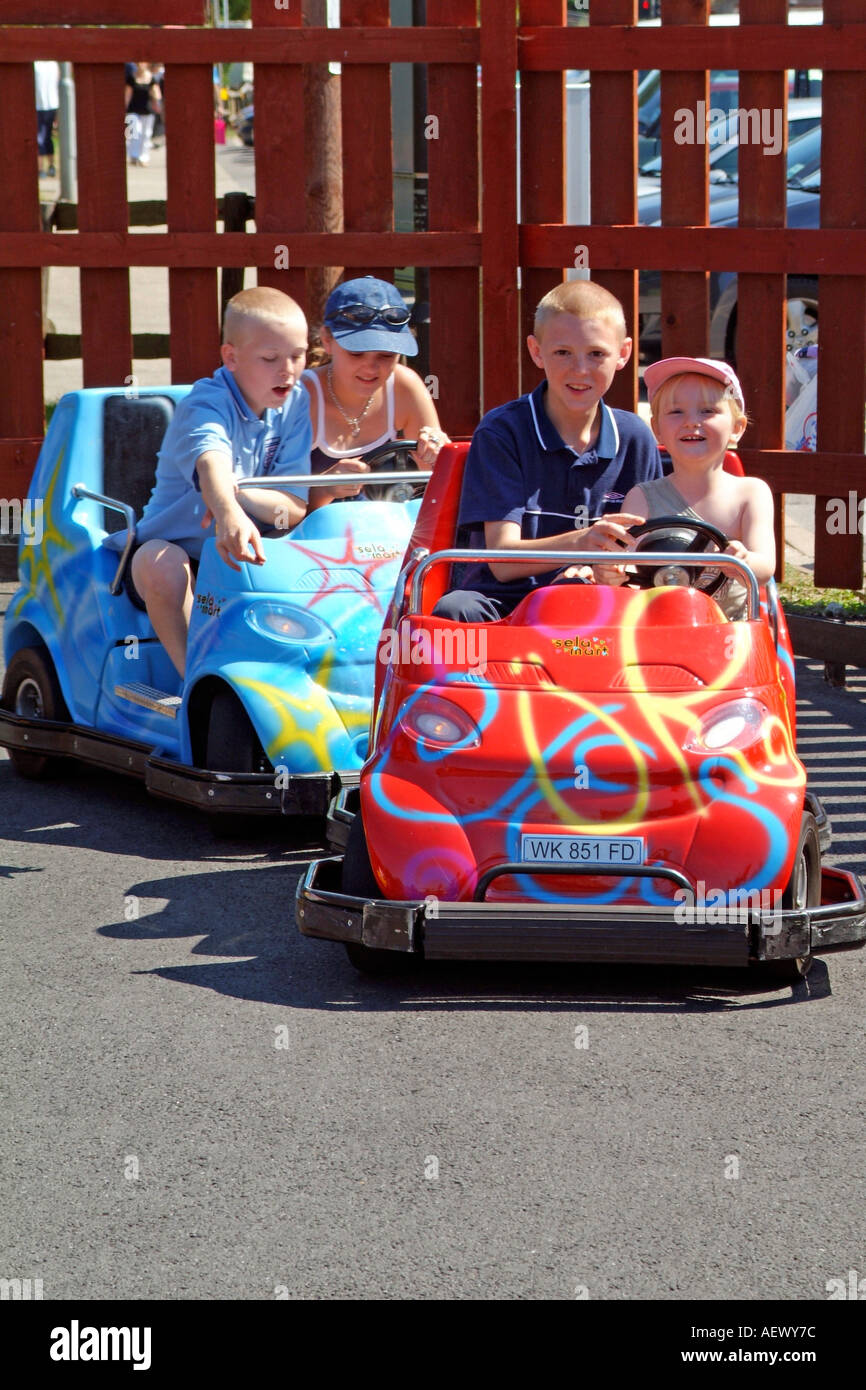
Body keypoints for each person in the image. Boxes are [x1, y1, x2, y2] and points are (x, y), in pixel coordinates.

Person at [118, 287, 351, 678]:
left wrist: (236, 493)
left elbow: (292, 508)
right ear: (231, 357)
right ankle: (195, 679)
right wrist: (227, 511)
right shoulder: (205, 403)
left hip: (247, 551)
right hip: (180, 552)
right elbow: (211, 462)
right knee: (162, 565)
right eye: (271, 359)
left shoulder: (293, 405)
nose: (288, 371)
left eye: (298, 357)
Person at [435, 279, 661, 622]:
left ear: (624, 354)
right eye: (563, 352)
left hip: (602, 604)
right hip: (506, 604)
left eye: (596, 353)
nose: (580, 369)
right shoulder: (503, 431)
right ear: (536, 351)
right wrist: (586, 543)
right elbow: (502, 561)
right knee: (456, 610)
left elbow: (645, 553)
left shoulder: (635, 437)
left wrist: (599, 571)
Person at [618, 356, 775, 619]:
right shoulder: (642, 498)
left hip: (732, 632)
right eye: (676, 412)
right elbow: (625, 568)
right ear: (657, 429)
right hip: (658, 627)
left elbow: (765, 567)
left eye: (707, 411)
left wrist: (743, 560)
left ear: (737, 427)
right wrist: (611, 572)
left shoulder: (751, 494)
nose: (691, 421)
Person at [301, 275, 448, 509]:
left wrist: (436, 453)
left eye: (386, 355)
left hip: (385, 538)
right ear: (327, 340)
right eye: (356, 353)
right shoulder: (302, 396)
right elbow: (278, 514)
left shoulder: (405, 386)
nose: (371, 368)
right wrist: (325, 488)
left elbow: (439, 493)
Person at [124, 62, 161, 167]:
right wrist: (124, 109)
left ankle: (143, 157)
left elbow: (157, 94)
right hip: (133, 110)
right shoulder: (131, 78)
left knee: (146, 134)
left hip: (147, 110)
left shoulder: (151, 78)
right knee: (132, 133)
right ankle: (132, 156)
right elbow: (127, 94)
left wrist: (156, 101)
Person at [34, 60, 60, 179]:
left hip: (42, 105)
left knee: (41, 138)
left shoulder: (36, 64)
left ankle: (43, 168)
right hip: (50, 105)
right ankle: (47, 167)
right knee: (44, 138)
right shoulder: (54, 65)